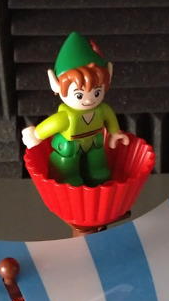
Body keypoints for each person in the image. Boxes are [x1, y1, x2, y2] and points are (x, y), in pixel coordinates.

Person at [21, 32, 130, 186]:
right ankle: (68, 177)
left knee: (97, 158)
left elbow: (110, 118)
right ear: (57, 87)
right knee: (67, 162)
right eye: (79, 95)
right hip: (70, 147)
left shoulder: (102, 110)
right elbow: (53, 124)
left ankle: (97, 172)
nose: (89, 100)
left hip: (94, 142)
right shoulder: (66, 116)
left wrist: (114, 133)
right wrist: (37, 134)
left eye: (96, 93)